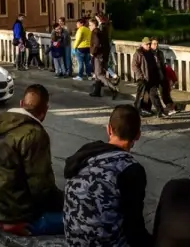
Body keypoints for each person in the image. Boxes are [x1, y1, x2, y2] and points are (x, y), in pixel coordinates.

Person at [0, 84, 64, 236]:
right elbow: (41, 187)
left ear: (21, 104)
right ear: (45, 110)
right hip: (18, 216)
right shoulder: (34, 134)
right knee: (86, 220)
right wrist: (67, 202)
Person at [64, 105, 151, 246]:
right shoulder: (130, 169)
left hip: (73, 242)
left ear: (109, 129)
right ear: (138, 135)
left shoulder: (84, 155)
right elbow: (134, 227)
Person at [132, 37, 165, 118]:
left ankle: (160, 111)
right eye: (147, 44)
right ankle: (136, 110)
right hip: (143, 79)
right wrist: (141, 76)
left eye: (149, 44)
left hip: (152, 78)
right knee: (140, 95)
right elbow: (134, 66)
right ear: (142, 44)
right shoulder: (139, 53)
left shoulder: (151, 52)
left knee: (154, 95)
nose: (149, 46)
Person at [88, 18, 118, 99]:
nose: (89, 27)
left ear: (94, 25)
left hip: (98, 56)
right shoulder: (101, 32)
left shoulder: (95, 32)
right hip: (102, 55)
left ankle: (113, 89)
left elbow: (96, 44)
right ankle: (96, 91)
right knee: (98, 74)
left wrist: (92, 52)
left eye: (90, 25)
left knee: (99, 74)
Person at [151, 37, 177, 115]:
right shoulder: (149, 54)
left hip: (161, 76)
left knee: (164, 93)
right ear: (151, 44)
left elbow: (163, 65)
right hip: (153, 77)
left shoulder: (160, 53)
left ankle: (170, 108)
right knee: (153, 94)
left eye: (157, 44)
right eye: (154, 44)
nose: (156, 45)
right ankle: (159, 110)